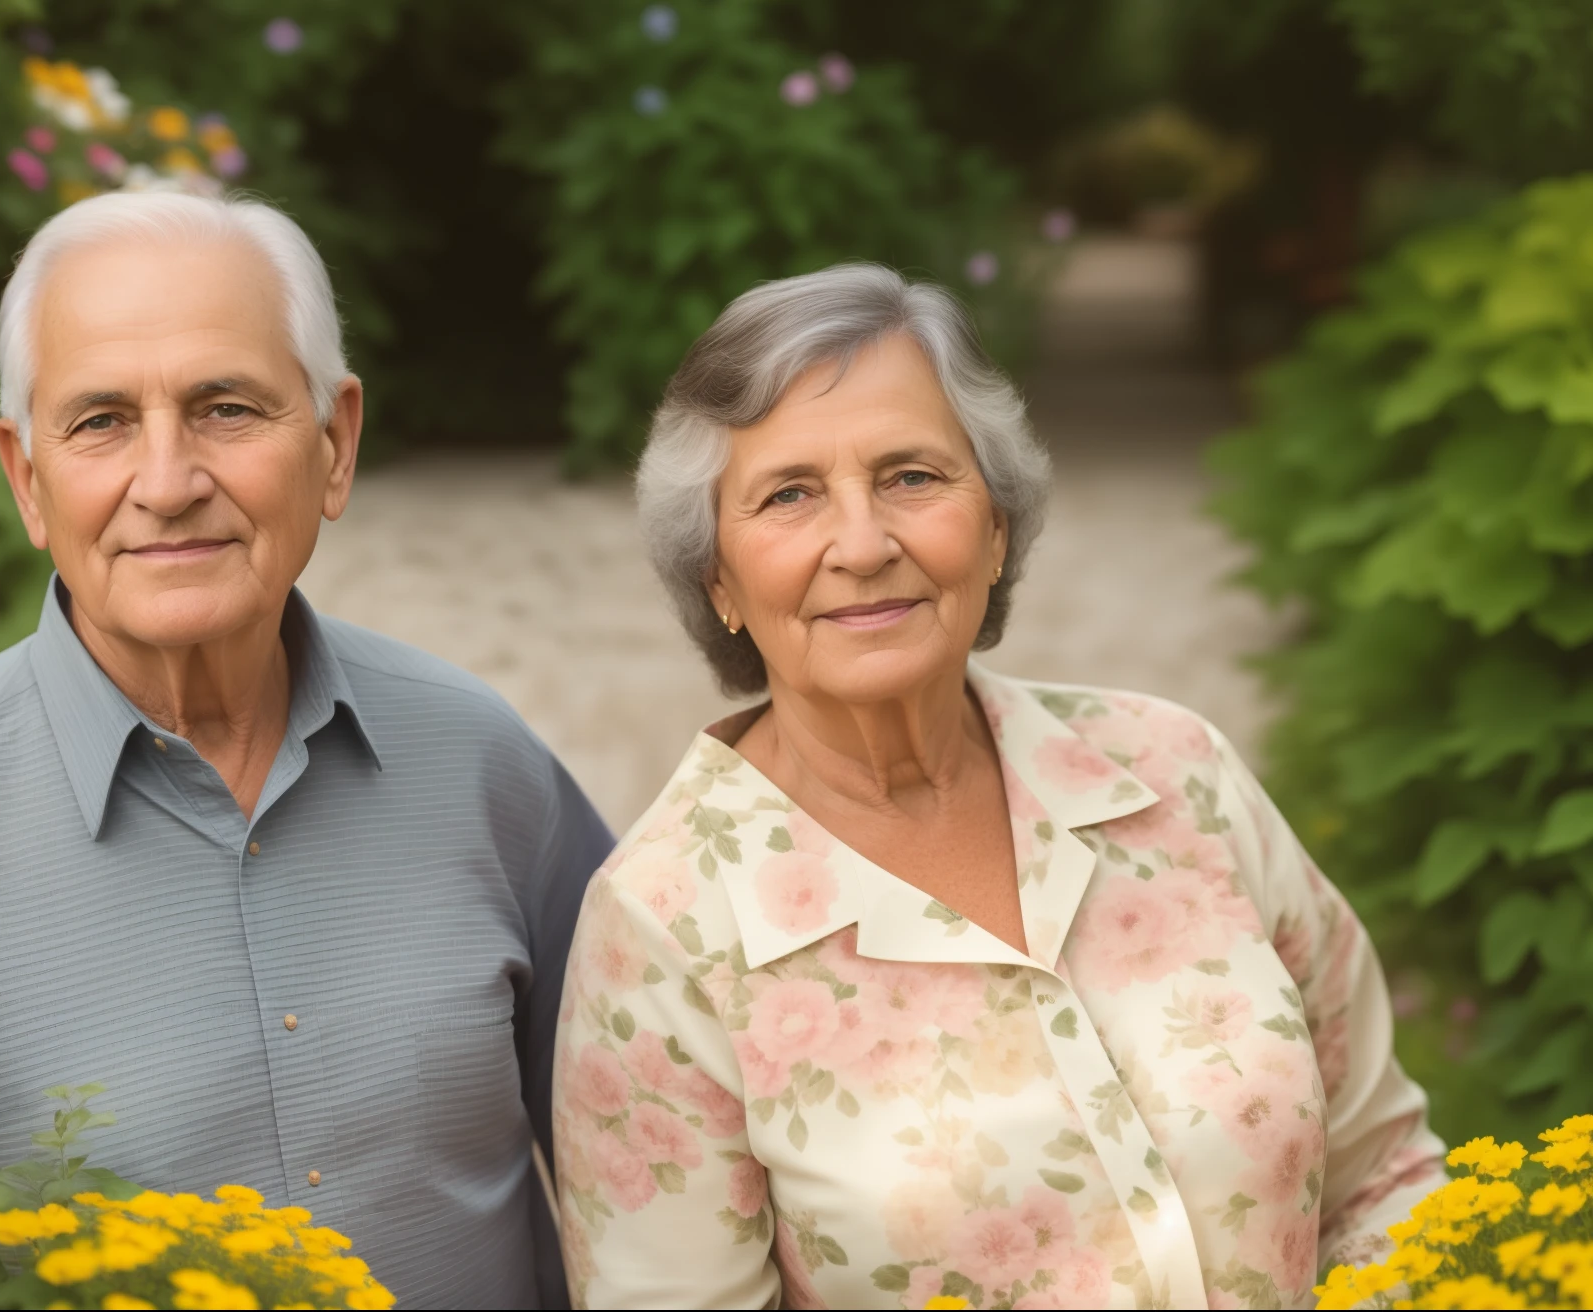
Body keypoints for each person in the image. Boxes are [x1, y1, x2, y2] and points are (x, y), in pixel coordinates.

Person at [0, 191, 611, 1308]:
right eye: (101, 420)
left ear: (335, 443)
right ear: (25, 477)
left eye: (225, 408)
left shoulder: (481, 764)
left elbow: (660, 1168)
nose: (166, 482)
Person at [552, 264, 1443, 1309]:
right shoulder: (661, 929)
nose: (862, 542)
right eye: (789, 495)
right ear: (719, 579)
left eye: (910, 477)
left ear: (996, 526)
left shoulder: (1173, 770)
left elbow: (1386, 1178)